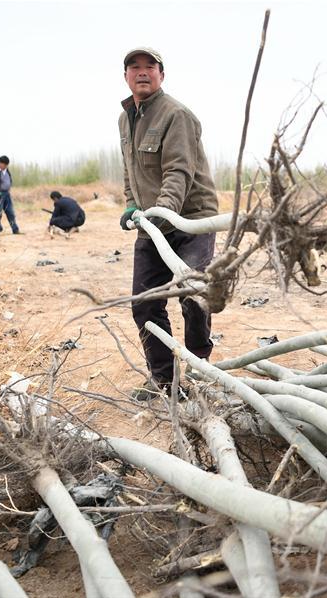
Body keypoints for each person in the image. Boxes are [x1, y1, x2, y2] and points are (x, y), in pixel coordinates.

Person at [118, 47, 219, 401]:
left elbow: (179, 171)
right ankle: (164, 381)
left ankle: (201, 366)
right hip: (153, 223)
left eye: (150, 67)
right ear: (126, 76)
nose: (142, 72)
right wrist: (132, 203)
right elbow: (131, 170)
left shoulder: (177, 115)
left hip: (191, 220)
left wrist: (162, 211)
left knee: (192, 295)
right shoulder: (126, 118)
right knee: (145, 303)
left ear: (162, 75)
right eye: (135, 67)